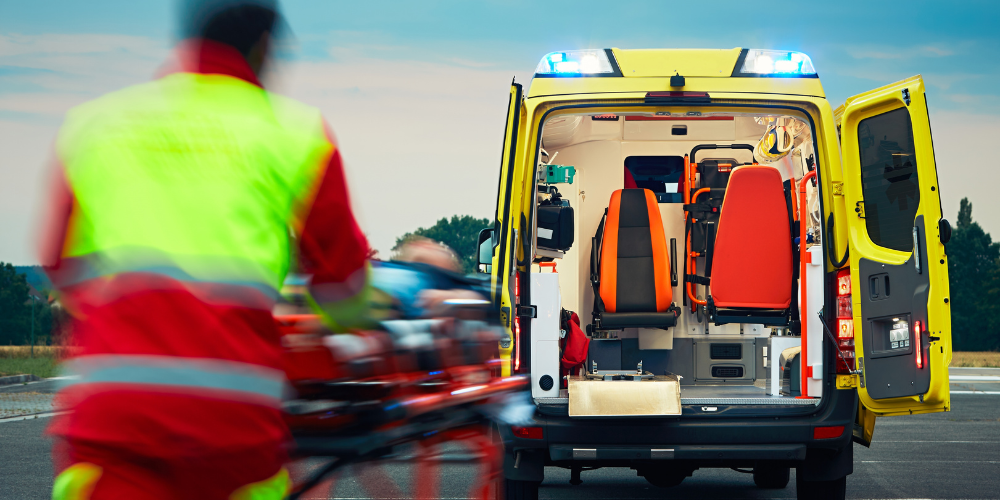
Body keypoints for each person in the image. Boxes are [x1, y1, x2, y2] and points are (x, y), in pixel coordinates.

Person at [41, 1, 372, 498]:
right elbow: (343, 291)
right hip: (231, 430)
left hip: (112, 421)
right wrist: (362, 323)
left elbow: (64, 269)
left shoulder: (96, 128)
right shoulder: (296, 136)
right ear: (263, 46)